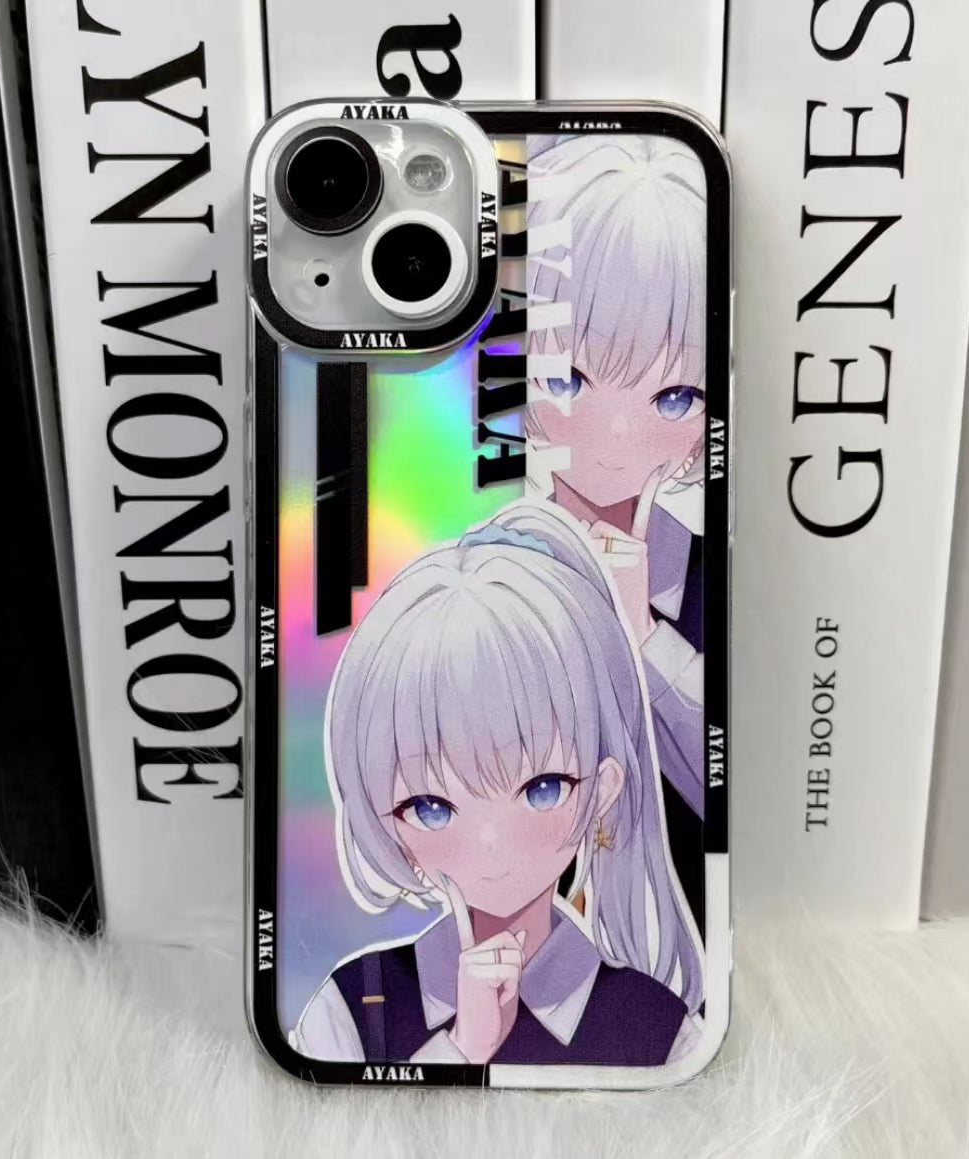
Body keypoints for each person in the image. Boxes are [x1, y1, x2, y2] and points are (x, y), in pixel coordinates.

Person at [290, 503, 703, 1066]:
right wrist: (462, 1049)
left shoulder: (658, 1028)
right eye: (432, 806)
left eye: (542, 789)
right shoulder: (352, 1008)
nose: (490, 844)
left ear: (603, 789)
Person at [524, 133, 709, 926]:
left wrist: (644, 641)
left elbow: (733, 795)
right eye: (567, 378)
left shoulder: (700, 583)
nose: (617, 438)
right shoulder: (472, 563)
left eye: (674, 397)